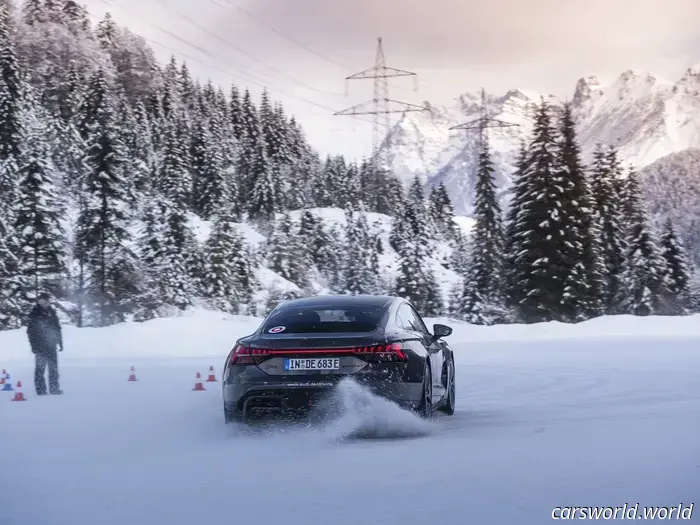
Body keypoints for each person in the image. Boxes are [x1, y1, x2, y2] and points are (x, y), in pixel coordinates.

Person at [27, 292, 63, 395]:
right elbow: (31, 332)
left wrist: (60, 341)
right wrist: (34, 346)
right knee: (40, 368)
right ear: (39, 302)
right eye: (44, 301)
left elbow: (57, 328)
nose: (47, 303)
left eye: (48, 301)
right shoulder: (35, 314)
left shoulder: (52, 312)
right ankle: (41, 390)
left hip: (51, 344)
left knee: (53, 368)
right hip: (40, 345)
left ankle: (54, 388)